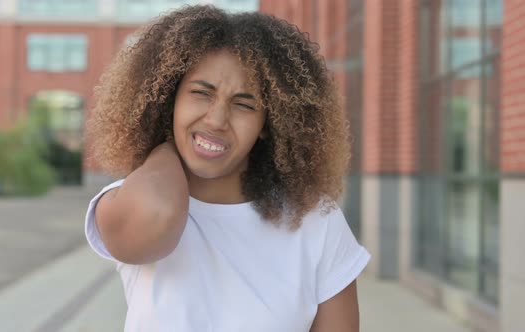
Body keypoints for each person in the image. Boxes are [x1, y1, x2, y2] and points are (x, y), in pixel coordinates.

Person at [85, 5, 370, 332]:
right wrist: (167, 139)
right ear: (169, 98)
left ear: (269, 122)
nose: (217, 120)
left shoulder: (316, 221)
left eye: (244, 104)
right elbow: (158, 213)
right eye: (200, 94)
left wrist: (180, 131)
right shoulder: (129, 200)